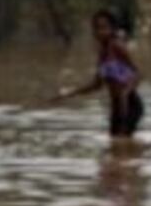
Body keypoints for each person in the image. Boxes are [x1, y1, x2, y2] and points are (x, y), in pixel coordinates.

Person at [52, 9, 144, 140]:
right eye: (96, 28)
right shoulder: (102, 54)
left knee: (121, 142)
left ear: (113, 29)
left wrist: (126, 92)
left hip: (130, 104)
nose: (100, 32)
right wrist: (69, 94)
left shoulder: (118, 47)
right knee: (115, 142)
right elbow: (96, 85)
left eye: (104, 27)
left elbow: (137, 73)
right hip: (116, 105)